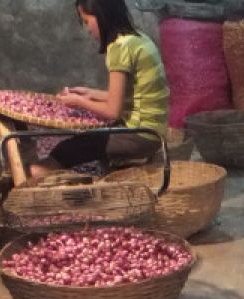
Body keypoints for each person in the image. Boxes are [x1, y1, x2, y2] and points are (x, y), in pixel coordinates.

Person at [34, 0, 169, 175]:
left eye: (87, 22)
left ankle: (44, 182)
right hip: (154, 131)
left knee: (62, 151)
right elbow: (129, 96)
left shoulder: (119, 48)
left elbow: (113, 111)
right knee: (85, 141)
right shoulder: (139, 39)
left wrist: (79, 101)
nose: (88, 30)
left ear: (101, 16)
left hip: (140, 135)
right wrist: (89, 93)